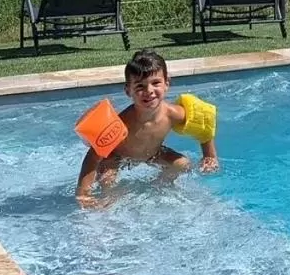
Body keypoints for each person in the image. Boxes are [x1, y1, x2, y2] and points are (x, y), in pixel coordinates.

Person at [75, 49, 219, 208]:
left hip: (154, 153)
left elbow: (203, 125)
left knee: (183, 164)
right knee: (108, 184)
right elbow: (93, 156)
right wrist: (83, 193)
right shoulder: (122, 123)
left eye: (156, 83)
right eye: (139, 86)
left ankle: (158, 187)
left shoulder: (173, 114)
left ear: (167, 84)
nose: (149, 91)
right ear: (128, 90)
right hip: (117, 157)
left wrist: (209, 156)